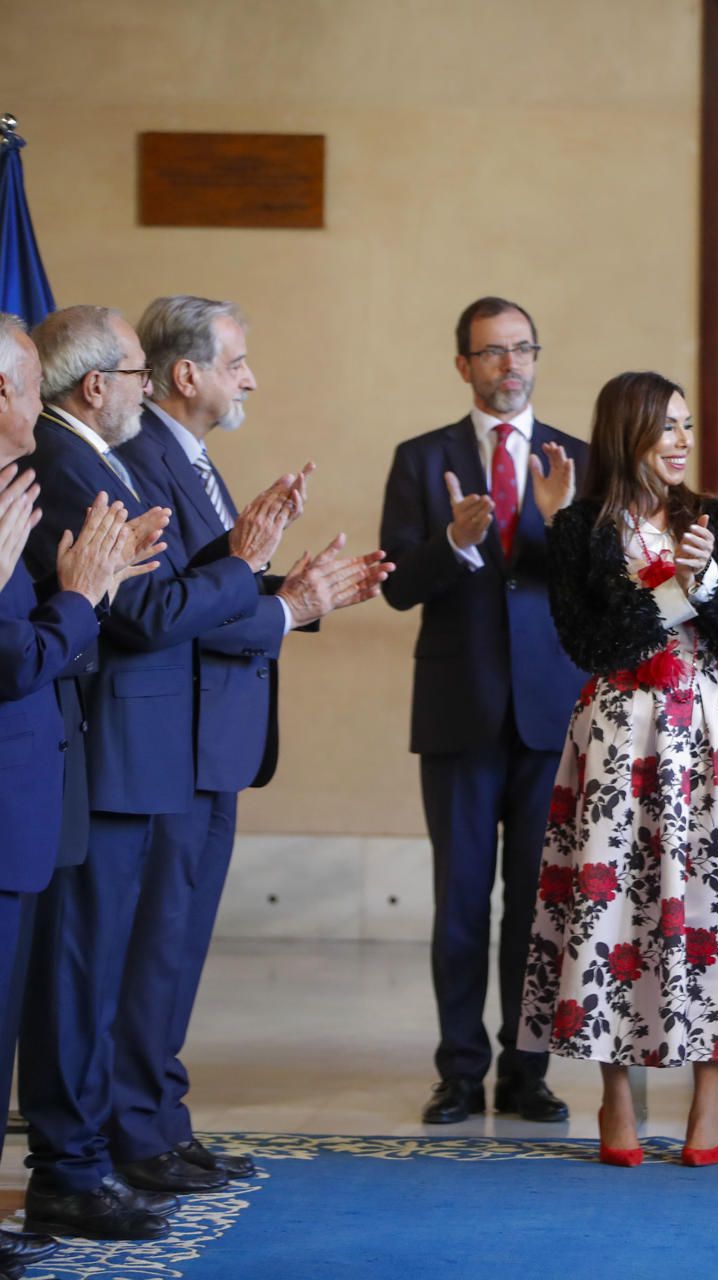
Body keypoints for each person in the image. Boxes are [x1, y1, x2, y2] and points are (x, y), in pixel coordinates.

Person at [18, 305, 297, 1242]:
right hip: (99, 747)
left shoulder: (89, 458)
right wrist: (251, 572)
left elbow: (136, 593)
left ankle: (88, 1158)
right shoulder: (70, 463)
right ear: (98, 385)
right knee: (82, 972)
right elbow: (135, 612)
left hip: (126, 745)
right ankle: (75, 1165)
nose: (146, 385)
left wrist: (247, 572)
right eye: (139, 372)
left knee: (97, 972)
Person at [109, 296, 389, 1196]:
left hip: (213, 743)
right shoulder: (143, 459)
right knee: (155, 946)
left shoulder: (194, 460)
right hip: (174, 740)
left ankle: (163, 1118)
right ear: (185, 375)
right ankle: (134, 1131)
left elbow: (215, 588)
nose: (251, 381)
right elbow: (168, 614)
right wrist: (282, 606)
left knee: (180, 946)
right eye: (237, 365)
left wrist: (294, 589)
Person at [519, 370, 718, 1167]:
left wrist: (707, 578)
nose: (681, 441)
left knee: (712, 907)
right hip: (615, 739)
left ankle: (711, 1093)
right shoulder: (580, 531)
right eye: (665, 426)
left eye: (685, 426)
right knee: (612, 913)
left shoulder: (714, 521)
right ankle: (614, 1095)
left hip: (705, 735)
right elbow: (591, 644)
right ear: (625, 434)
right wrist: (677, 591)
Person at [379, 297, 587, 1125]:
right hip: (459, 710)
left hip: (549, 714)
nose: (510, 366)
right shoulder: (420, 459)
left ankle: (527, 1071)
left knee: (539, 906)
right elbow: (397, 586)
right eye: (492, 353)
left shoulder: (578, 457)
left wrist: (556, 524)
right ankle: (460, 1071)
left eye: (522, 349)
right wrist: (457, 542)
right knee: (461, 899)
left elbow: (599, 588)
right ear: (462, 365)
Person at [0, 311, 164, 1278]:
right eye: (26, 385)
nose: (39, 403)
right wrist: (80, 599)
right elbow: (16, 657)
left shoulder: (15, 489)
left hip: (30, 785)